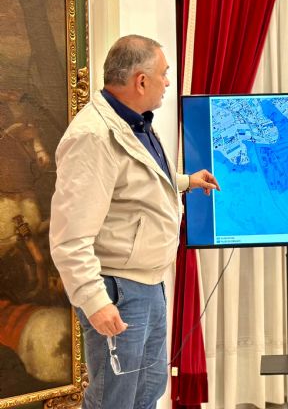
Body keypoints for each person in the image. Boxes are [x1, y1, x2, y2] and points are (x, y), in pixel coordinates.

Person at [49, 35, 220, 409]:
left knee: (147, 390)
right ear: (141, 81)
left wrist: (185, 181)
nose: (168, 82)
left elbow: (131, 183)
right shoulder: (93, 136)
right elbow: (69, 237)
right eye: (164, 73)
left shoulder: (134, 121)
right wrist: (95, 301)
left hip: (147, 283)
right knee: (115, 400)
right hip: (118, 291)